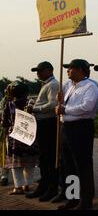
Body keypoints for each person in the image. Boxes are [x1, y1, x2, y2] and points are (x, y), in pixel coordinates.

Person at [55, 59, 98, 210]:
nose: (68, 70)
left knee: (82, 165)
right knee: (69, 165)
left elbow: (87, 107)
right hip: (67, 127)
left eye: (71, 68)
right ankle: (72, 198)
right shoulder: (69, 86)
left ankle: (86, 200)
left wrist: (65, 110)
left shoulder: (91, 86)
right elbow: (65, 106)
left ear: (81, 70)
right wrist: (60, 105)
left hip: (81, 127)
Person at [26, 62, 59, 202]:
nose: (38, 73)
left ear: (49, 70)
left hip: (48, 123)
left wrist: (36, 109)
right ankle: (44, 186)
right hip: (42, 122)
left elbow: (53, 104)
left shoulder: (53, 84)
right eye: (37, 71)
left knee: (49, 158)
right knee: (43, 158)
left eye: (40, 70)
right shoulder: (46, 84)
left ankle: (51, 188)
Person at [2, 81, 39, 195]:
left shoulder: (9, 105)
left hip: (14, 138)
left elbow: (4, 123)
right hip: (30, 136)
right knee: (29, 162)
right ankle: (27, 185)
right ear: (26, 93)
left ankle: (18, 187)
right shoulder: (31, 104)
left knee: (15, 164)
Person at [0, 84, 12, 187]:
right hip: (3, 132)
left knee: (8, 153)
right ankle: (4, 175)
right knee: (4, 153)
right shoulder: (4, 101)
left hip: (11, 132)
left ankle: (5, 176)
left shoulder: (18, 101)